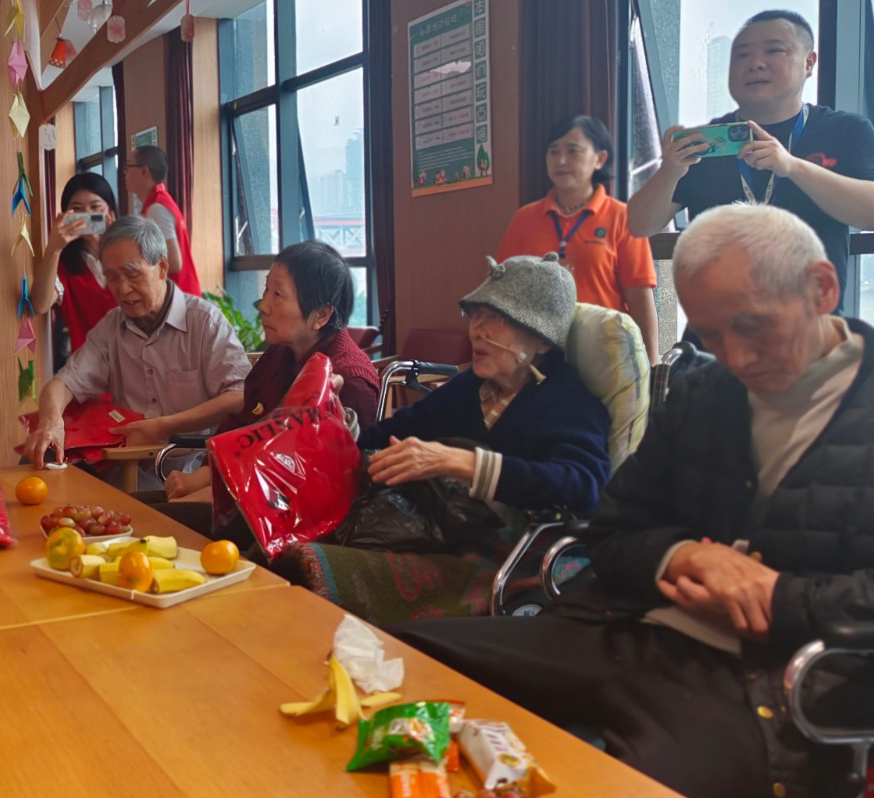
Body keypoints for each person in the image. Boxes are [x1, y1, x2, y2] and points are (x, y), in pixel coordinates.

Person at [392, 205, 874, 798]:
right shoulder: (707, 390)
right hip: (627, 630)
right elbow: (612, 529)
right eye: (711, 335)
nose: (736, 358)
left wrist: (780, 596)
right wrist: (680, 556)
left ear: (822, 287)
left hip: (775, 678)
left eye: (752, 326)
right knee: (405, 666)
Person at [273, 254, 612, 623]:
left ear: (543, 340)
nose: (477, 331)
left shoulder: (569, 400)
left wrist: (463, 462)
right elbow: (383, 438)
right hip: (447, 535)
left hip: (512, 555)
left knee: (312, 567)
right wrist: (337, 419)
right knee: (283, 545)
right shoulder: (470, 387)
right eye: (476, 315)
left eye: (497, 319)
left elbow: (585, 485)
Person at [628, 10, 874, 297]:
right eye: (742, 55)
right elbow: (638, 226)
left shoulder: (845, 130)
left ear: (808, 63)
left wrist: (792, 167)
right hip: (715, 318)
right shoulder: (707, 143)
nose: (755, 63)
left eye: (774, 51)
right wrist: (670, 171)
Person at [22, 215, 248, 486]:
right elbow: (63, 383)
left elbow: (239, 395)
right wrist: (51, 423)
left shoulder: (204, 321)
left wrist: (164, 426)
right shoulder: (111, 327)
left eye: (132, 274)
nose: (122, 288)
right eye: (112, 277)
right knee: (35, 463)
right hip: (124, 465)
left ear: (161, 267)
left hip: (188, 469)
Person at [162, 240, 382, 501]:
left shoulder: (350, 379)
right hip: (235, 487)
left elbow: (334, 485)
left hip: (285, 510)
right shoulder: (280, 353)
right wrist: (206, 473)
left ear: (321, 315)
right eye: (266, 290)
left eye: (278, 295)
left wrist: (208, 483)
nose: (263, 306)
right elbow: (240, 423)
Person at [498, 115, 659, 362]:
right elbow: (504, 292)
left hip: (606, 355)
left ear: (600, 159)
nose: (561, 161)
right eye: (553, 152)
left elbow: (639, 299)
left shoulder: (623, 217)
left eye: (573, 151)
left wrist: (651, 363)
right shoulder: (524, 218)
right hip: (538, 355)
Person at [30, 173, 120, 354]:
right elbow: (40, 304)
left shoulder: (128, 255)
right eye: (77, 209)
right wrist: (54, 247)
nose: (86, 216)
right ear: (65, 215)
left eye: (95, 208)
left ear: (110, 213)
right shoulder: (65, 266)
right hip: (89, 365)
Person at [124, 145, 201, 296]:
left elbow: (173, 262)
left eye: (128, 167)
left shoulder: (157, 208)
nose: (125, 173)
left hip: (179, 297)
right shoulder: (157, 202)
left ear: (144, 170)